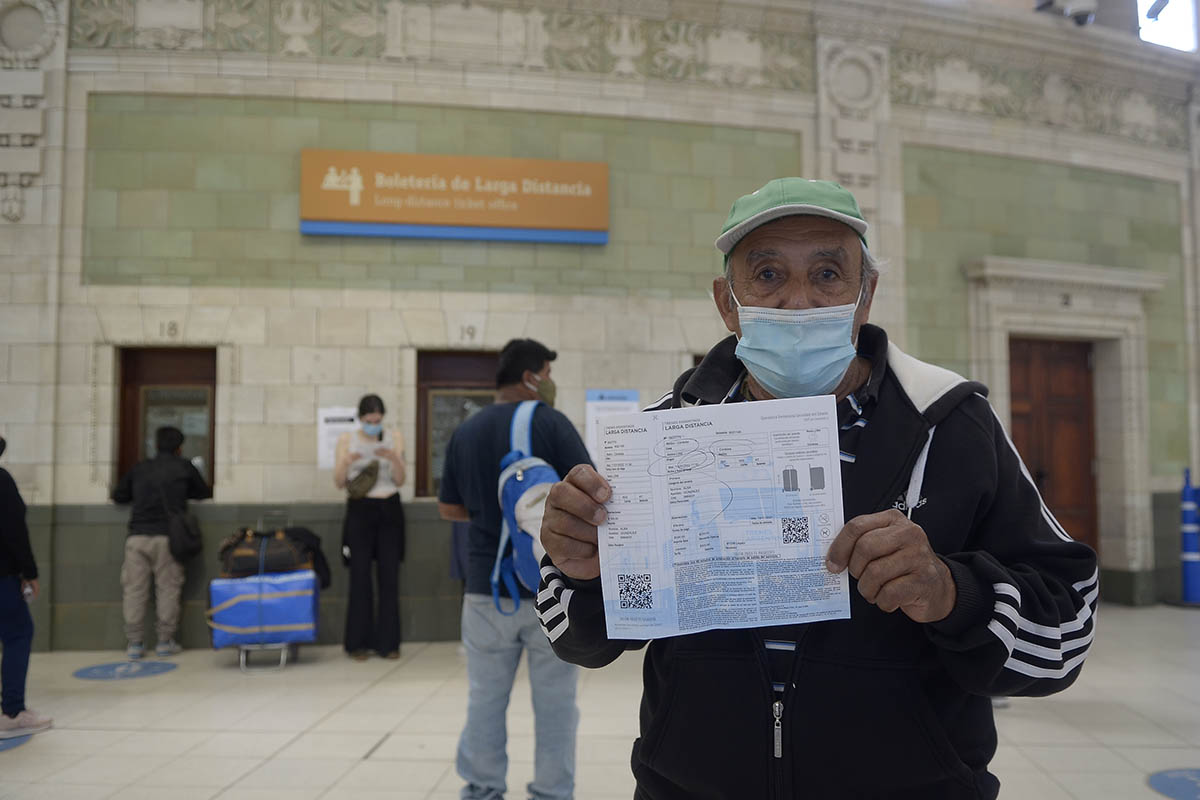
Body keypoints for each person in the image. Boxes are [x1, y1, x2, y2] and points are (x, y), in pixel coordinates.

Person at [537, 178, 1099, 799]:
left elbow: (1067, 627)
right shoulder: (662, 438)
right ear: (728, 302)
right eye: (769, 275)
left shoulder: (952, 425)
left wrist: (953, 594)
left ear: (865, 296)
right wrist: (584, 574)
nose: (799, 302)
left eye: (828, 274)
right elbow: (577, 641)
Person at [438, 338, 592, 800]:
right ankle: (551, 792)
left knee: (485, 699)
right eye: (546, 371)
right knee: (556, 704)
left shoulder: (465, 432)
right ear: (531, 377)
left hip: (485, 591)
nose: (550, 382)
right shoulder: (550, 424)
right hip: (551, 592)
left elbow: (449, 509)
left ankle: (482, 789)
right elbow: (590, 500)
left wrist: (491, 518)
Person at [111, 425, 212, 660]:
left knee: (134, 591)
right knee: (168, 589)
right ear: (180, 448)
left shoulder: (140, 468)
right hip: (168, 539)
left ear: (155, 444)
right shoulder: (184, 467)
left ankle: (135, 643)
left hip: (137, 537)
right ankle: (165, 641)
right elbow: (202, 493)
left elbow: (119, 495)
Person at [334, 394, 406, 661]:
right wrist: (347, 461)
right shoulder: (346, 440)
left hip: (388, 508)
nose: (373, 425)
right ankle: (358, 644)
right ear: (360, 418)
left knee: (389, 577)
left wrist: (394, 457)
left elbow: (400, 480)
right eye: (368, 421)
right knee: (360, 576)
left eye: (377, 420)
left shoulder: (393, 437)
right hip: (360, 510)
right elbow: (338, 482)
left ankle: (388, 644)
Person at [0, 437, 52, 739]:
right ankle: (13, 712)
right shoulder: (2, 482)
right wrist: (29, 572)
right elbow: (14, 530)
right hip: (2, 577)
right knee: (18, 633)